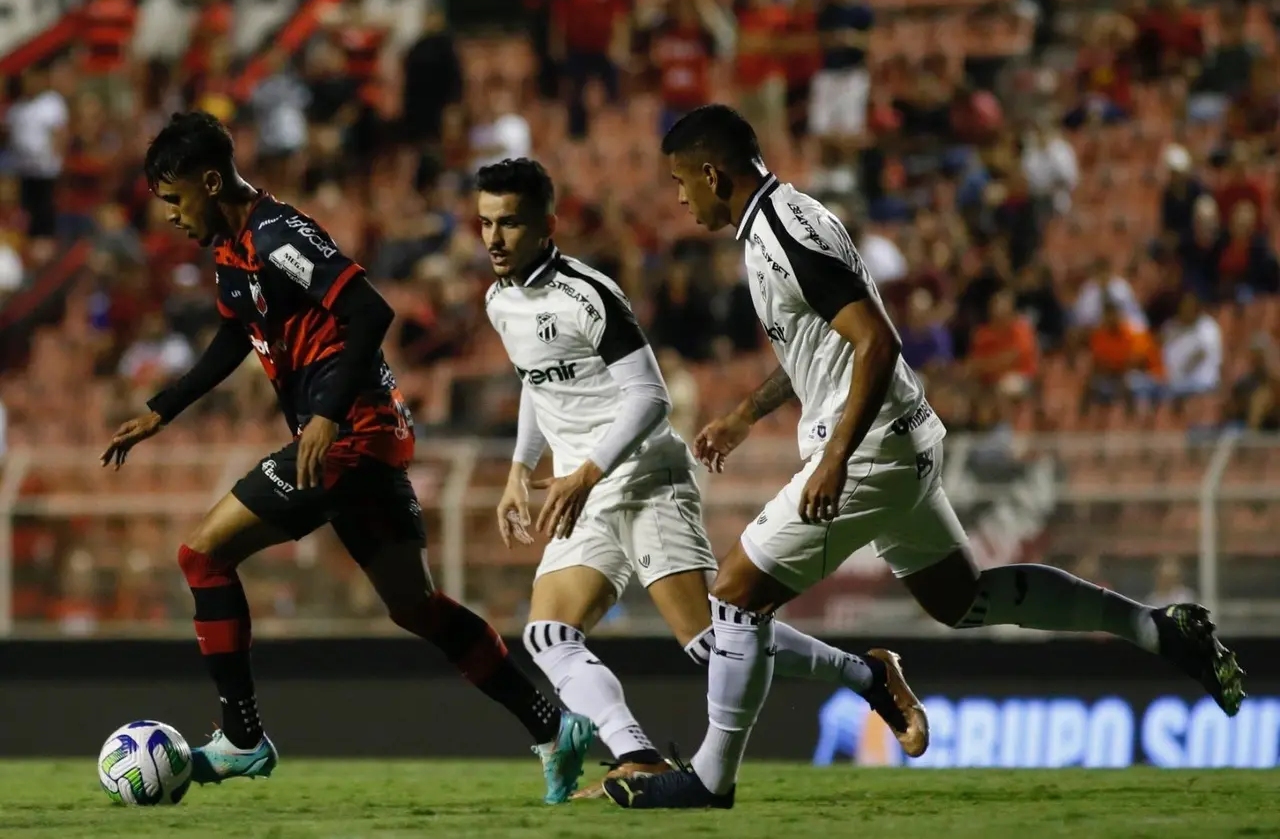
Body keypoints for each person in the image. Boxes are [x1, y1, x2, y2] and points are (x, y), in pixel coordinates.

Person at [605, 104, 1246, 810]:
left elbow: (877, 342)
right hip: (903, 439)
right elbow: (826, 339)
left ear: (710, 172)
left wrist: (835, 459)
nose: (677, 197)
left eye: (679, 181)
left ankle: (710, 777)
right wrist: (745, 415)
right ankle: (1155, 628)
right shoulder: (790, 218)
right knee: (961, 599)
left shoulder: (783, 236)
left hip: (869, 449)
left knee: (731, 597)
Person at [101, 113, 592, 803]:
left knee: (202, 555)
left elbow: (370, 310)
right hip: (363, 438)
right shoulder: (231, 252)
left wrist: (326, 413)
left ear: (210, 181)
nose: (175, 217)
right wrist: (162, 409)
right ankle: (551, 725)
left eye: (176, 199)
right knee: (415, 605)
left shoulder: (277, 236)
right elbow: (235, 335)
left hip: (350, 432)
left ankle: (242, 737)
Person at [478, 157, 920, 800]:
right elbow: (534, 379)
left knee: (712, 646)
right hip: (586, 492)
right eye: (486, 223)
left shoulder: (587, 294)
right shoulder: (499, 300)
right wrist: (520, 469)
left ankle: (867, 676)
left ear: (546, 225)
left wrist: (586, 474)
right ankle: (637, 752)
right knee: (548, 633)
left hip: (642, 477)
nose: (494, 238)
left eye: (509, 223)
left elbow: (650, 397)